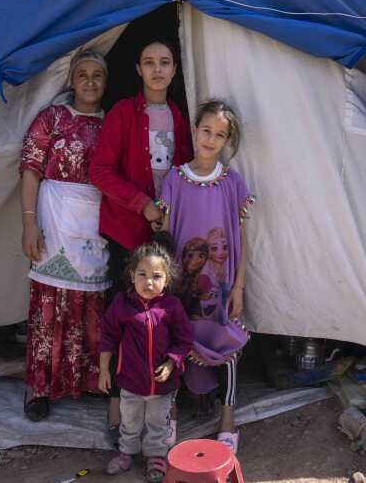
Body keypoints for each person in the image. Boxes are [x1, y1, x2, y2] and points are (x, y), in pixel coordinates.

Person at [90, 38, 193, 440]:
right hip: (128, 230)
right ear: (137, 69)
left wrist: (167, 209)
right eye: (148, 62)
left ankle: (164, 405)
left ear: (174, 69)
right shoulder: (121, 113)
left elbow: (182, 168)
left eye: (164, 62)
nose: (157, 69)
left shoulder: (177, 116)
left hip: (164, 235)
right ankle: (117, 404)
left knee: (165, 318)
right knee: (124, 319)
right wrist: (143, 204)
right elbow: (100, 171)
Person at [156, 99, 254, 454]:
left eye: (220, 134)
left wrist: (239, 285)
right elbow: (165, 238)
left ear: (227, 140)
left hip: (222, 289)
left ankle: (228, 420)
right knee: (175, 344)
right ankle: (171, 416)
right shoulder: (176, 179)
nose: (211, 139)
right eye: (206, 130)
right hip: (182, 289)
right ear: (195, 130)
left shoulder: (232, 183)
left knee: (226, 343)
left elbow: (242, 240)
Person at [19, 50, 111, 421]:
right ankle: (38, 387)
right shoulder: (52, 118)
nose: (89, 81)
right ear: (71, 80)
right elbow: (29, 169)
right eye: (82, 74)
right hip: (54, 217)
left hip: (95, 222)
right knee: (49, 303)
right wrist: (28, 222)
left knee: (93, 305)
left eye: (97, 75)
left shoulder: (114, 122)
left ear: (106, 82)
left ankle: (89, 382)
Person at [98, 237, 193, 482]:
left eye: (156, 276)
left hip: (162, 385)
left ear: (167, 279)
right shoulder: (122, 305)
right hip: (130, 381)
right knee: (129, 420)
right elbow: (107, 336)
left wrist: (172, 362)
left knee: (157, 423)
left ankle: (156, 457)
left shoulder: (172, 307)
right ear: (132, 275)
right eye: (142, 274)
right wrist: (104, 371)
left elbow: (184, 340)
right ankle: (126, 453)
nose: (149, 282)